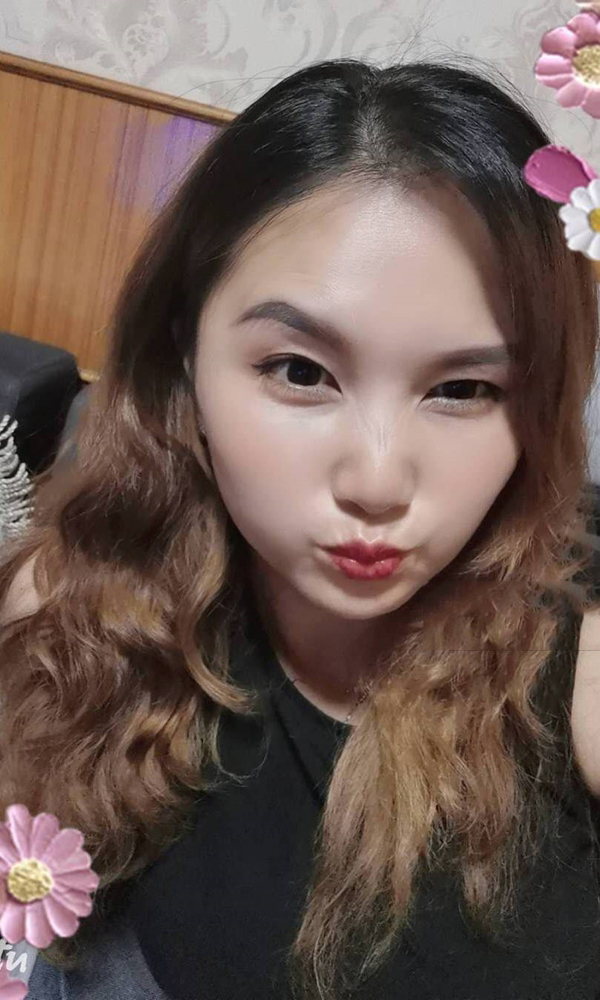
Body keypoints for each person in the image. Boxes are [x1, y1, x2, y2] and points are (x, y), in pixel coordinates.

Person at [2, 57, 600, 1000]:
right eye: (300, 372)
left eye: (464, 389)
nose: (376, 482)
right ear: (183, 357)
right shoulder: (66, 613)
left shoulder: (579, 684)